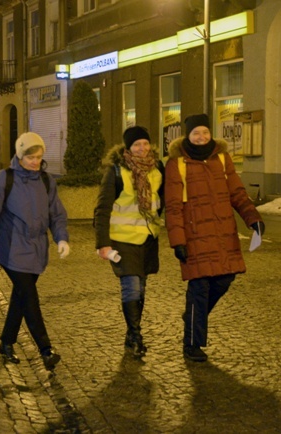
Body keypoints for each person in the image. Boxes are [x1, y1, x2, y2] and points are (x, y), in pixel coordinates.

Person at [164, 114, 265, 362]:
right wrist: (178, 240)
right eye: (196, 133)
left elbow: (237, 193)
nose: (201, 137)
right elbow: (174, 205)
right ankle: (192, 344)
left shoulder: (222, 158)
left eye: (205, 132)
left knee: (224, 279)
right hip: (194, 234)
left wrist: (253, 218)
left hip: (222, 233)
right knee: (199, 288)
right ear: (187, 136)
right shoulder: (177, 164)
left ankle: (192, 317)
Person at [0, 132, 69, 371]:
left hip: (37, 250)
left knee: (20, 297)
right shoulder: (5, 178)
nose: (35, 162)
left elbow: (57, 214)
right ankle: (46, 349)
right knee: (29, 297)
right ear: (19, 155)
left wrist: (61, 237)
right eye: (30, 157)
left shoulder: (47, 181)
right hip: (12, 250)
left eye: (38, 157)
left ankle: (6, 342)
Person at [93, 126, 164, 358]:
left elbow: (162, 202)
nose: (141, 149)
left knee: (141, 289)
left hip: (148, 238)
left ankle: (131, 332)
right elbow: (102, 209)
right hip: (122, 240)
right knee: (131, 285)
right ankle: (135, 334)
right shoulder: (115, 172)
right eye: (136, 145)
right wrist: (102, 243)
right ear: (127, 148)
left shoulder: (157, 169)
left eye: (144, 144)